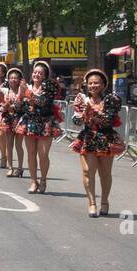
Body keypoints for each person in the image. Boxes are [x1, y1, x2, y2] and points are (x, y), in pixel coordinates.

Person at [70, 68, 126, 216]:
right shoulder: (82, 100)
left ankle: (105, 202)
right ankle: (92, 203)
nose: (93, 86)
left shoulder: (110, 100)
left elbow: (109, 120)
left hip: (105, 138)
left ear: (103, 85)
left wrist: (94, 113)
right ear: (86, 85)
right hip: (87, 138)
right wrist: (83, 115)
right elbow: (75, 120)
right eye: (90, 83)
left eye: (96, 83)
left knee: (105, 173)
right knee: (88, 171)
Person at [21, 59, 61, 194]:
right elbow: (21, 106)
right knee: (31, 154)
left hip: (45, 123)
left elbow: (44, 103)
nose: (36, 74)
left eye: (40, 73)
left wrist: (28, 93)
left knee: (43, 154)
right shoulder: (27, 88)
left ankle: (43, 179)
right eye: (35, 72)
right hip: (30, 122)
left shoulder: (48, 88)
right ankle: (33, 181)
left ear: (44, 76)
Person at [0, 66, 25, 176]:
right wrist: (3, 107)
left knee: (19, 145)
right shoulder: (4, 91)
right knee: (9, 145)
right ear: (8, 79)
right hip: (8, 119)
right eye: (11, 78)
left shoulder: (23, 91)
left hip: (19, 120)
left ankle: (20, 167)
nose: (13, 80)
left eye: (15, 78)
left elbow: (26, 105)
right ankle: (10, 167)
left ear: (19, 80)